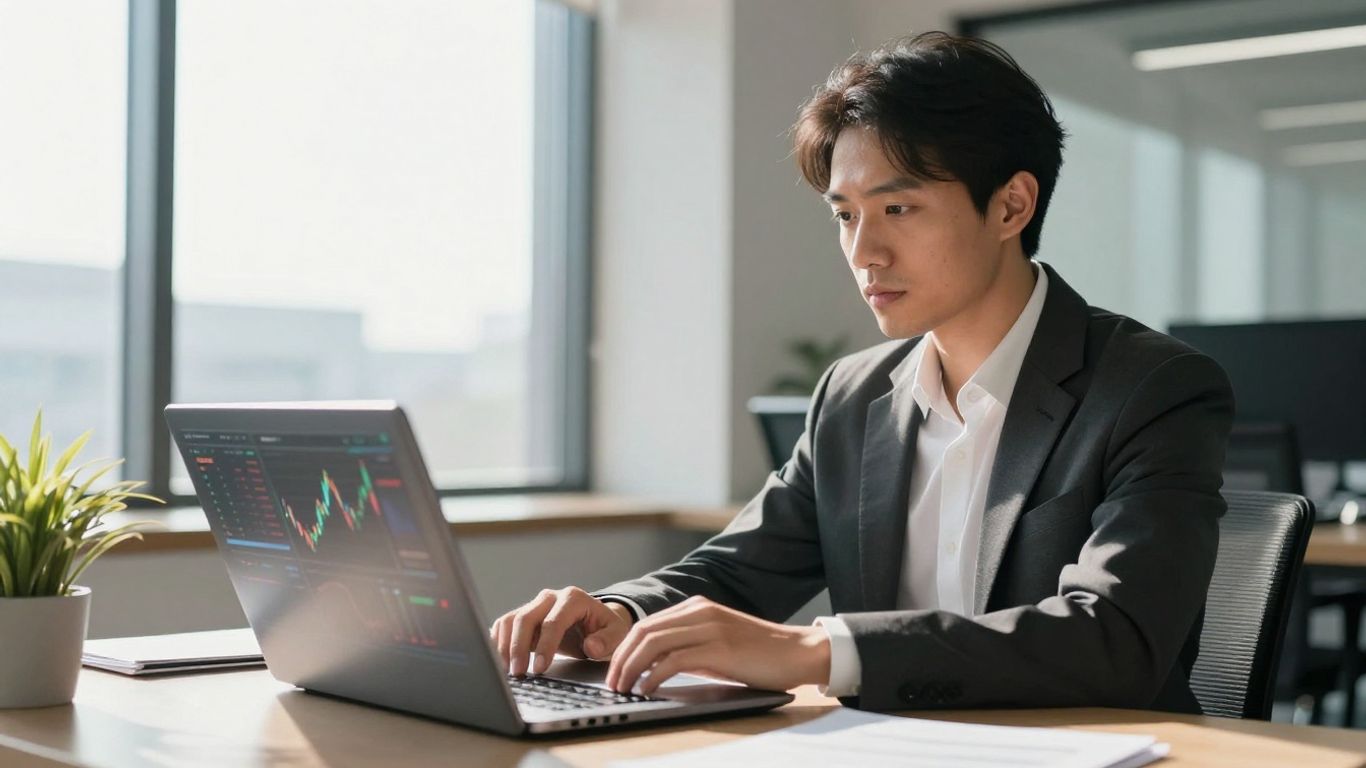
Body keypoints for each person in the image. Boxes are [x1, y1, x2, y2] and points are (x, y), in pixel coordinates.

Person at [489, 31, 1233, 714]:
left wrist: (821, 651)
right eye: (845, 215)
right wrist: (618, 613)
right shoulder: (853, 394)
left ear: (1011, 205)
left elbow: (1117, 637)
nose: (864, 251)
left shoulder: (1152, 388)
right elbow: (740, 568)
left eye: (899, 208)